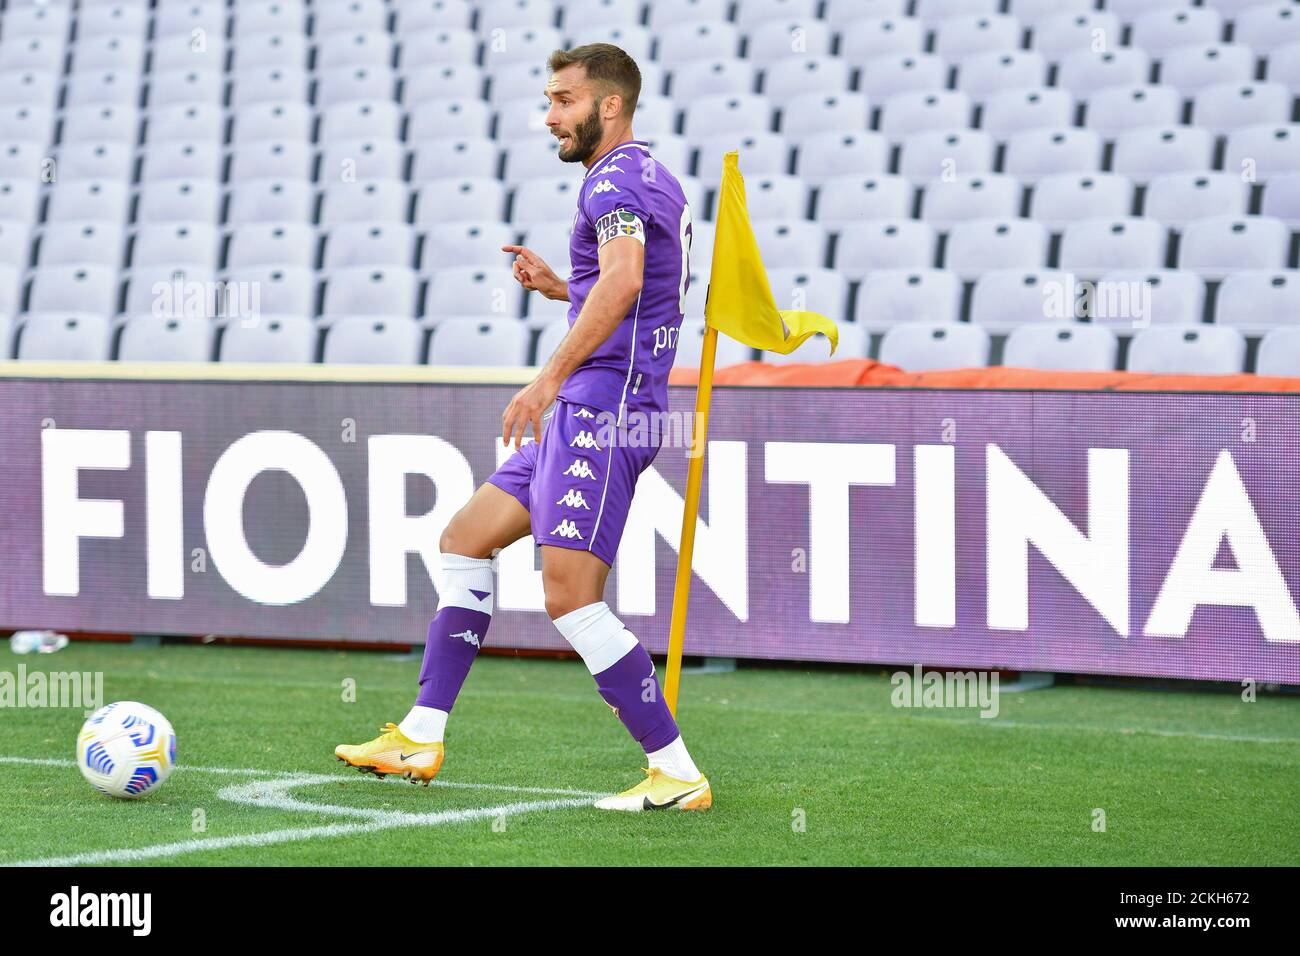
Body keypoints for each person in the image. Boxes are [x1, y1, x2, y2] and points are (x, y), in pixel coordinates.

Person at [335, 43, 710, 812]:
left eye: (564, 101)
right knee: (465, 538)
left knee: (571, 598)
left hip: (603, 412)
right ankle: (421, 733)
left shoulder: (614, 179)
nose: (551, 117)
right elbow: (628, 290)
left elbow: (627, 280)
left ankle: (676, 772)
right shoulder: (646, 177)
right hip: (595, 404)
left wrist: (549, 377)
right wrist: (560, 288)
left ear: (609, 106)